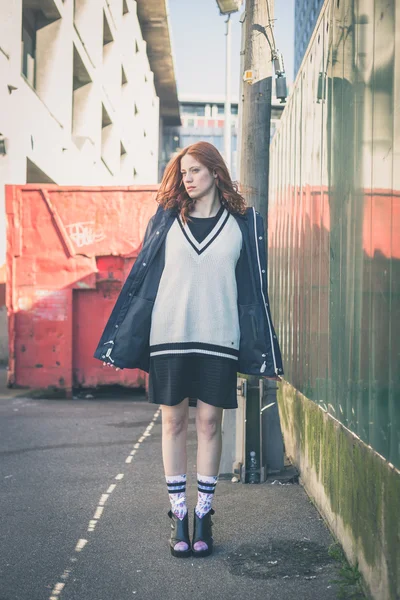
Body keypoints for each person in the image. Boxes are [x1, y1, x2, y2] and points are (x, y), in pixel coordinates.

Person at [94, 141, 284, 559]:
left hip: (220, 336)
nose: (188, 178)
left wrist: (259, 345)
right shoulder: (166, 220)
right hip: (169, 335)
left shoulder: (244, 223)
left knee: (210, 424)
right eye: (183, 173)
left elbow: (254, 291)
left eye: (195, 170)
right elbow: (144, 282)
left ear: (216, 173)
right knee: (173, 424)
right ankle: (179, 515)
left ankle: (204, 515)